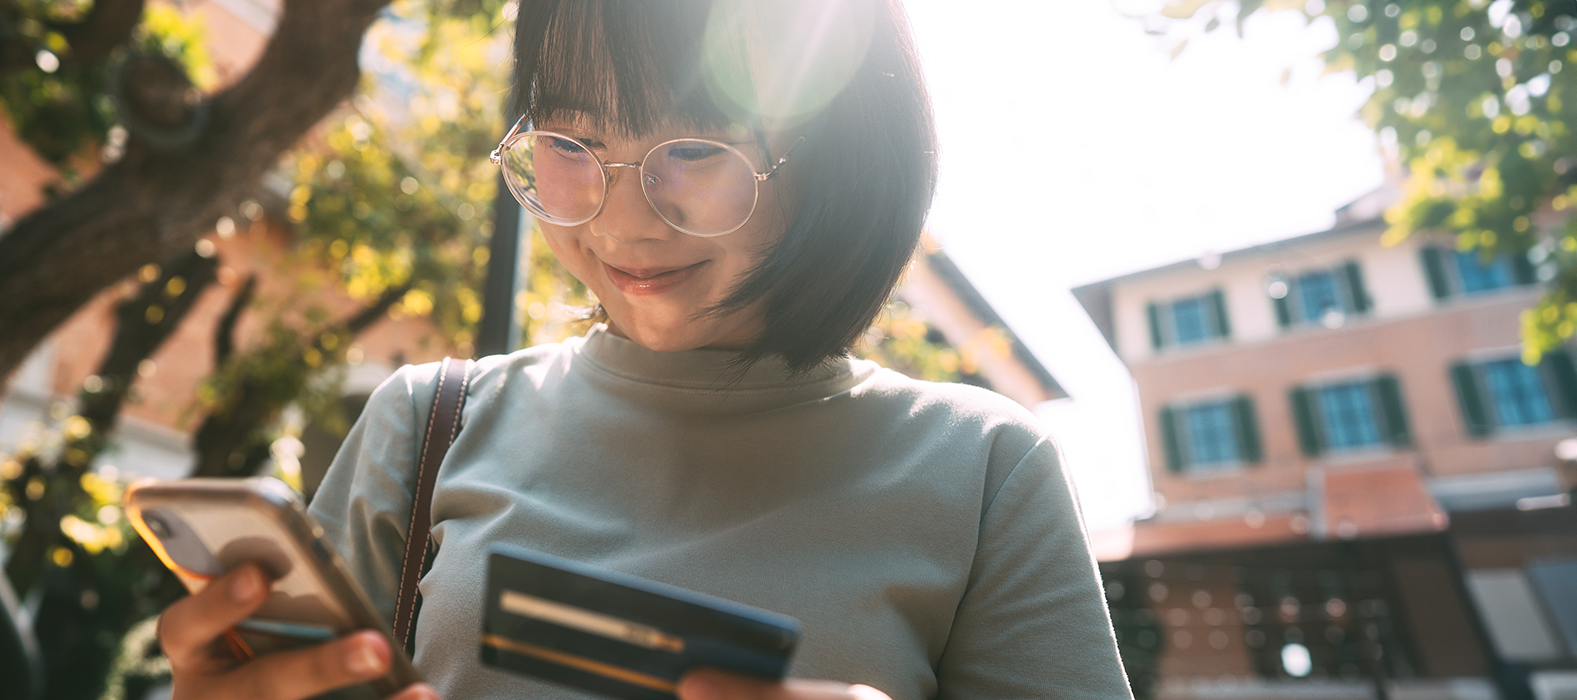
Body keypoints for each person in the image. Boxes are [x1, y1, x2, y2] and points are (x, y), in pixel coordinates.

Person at [157, 1, 1132, 698]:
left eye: (699, 151)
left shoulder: (984, 467)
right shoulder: (426, 424)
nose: (620, 221)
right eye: (569, 143)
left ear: (838, 161)